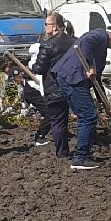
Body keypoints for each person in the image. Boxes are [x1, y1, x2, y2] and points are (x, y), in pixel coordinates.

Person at [53, 21, 111, 171]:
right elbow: (86, 42)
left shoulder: (102, 47)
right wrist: (90, 64)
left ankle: (82, 155)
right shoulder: (98, 35)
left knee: (85, 116)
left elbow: (97, 80)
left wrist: (105, 104)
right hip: (72, 77)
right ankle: (80, 157)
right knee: (88, 116)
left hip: (70, 78)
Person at [31, 12, 77, 155]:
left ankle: (63, 153)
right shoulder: (74, 41)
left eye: (46, 24)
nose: (44, 27)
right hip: (73, 85)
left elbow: (39, 68)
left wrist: (32, 66)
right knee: (81, 118)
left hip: (54, 87)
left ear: (55, 26)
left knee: (58, 121)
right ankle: (83, 149)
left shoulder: (48, 45)